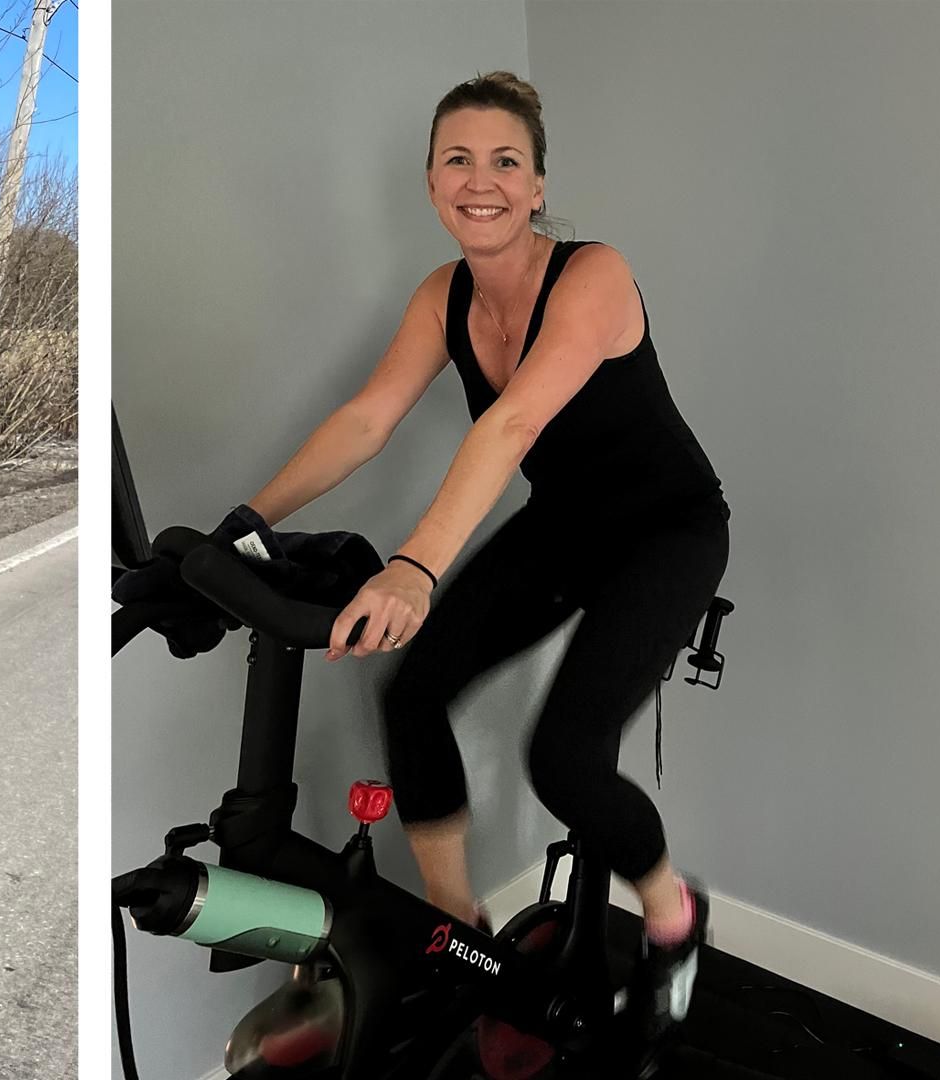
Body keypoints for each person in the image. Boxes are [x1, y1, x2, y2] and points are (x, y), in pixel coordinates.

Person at [218, 72, 728, 1044]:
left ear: (537, 186)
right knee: (412, 695)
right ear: (431, 183)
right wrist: (242, 523)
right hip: (565, 522)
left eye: (504, 161)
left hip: (667, 529)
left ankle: (674, 916)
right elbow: (367, 420)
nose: (480, 180)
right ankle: (461, 935)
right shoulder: (442, 296)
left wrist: (415, 566)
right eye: (458, 160)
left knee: (565, 760)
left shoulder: (594, 274)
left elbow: (512, 425)